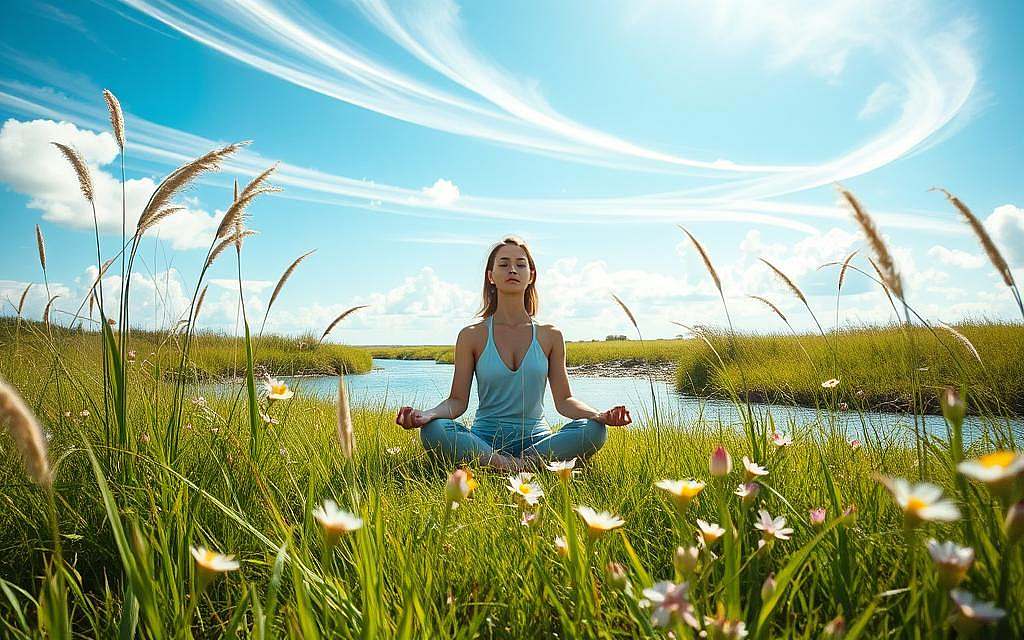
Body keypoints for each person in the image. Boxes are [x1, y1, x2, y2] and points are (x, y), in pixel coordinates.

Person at [394, 236, 632, 470]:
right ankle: (516, 465)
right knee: (434, 430)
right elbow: (457, 402)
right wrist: (427, 415)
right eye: (504, 264)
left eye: (520, 264)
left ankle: (512, 464)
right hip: (485, 441)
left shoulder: (551, 335)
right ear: (491, 276)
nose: (513, 270)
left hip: (537, 441)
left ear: (531, 276)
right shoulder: (471, 335)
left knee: (594, 430)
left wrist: (599, 415)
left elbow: (564, 402)